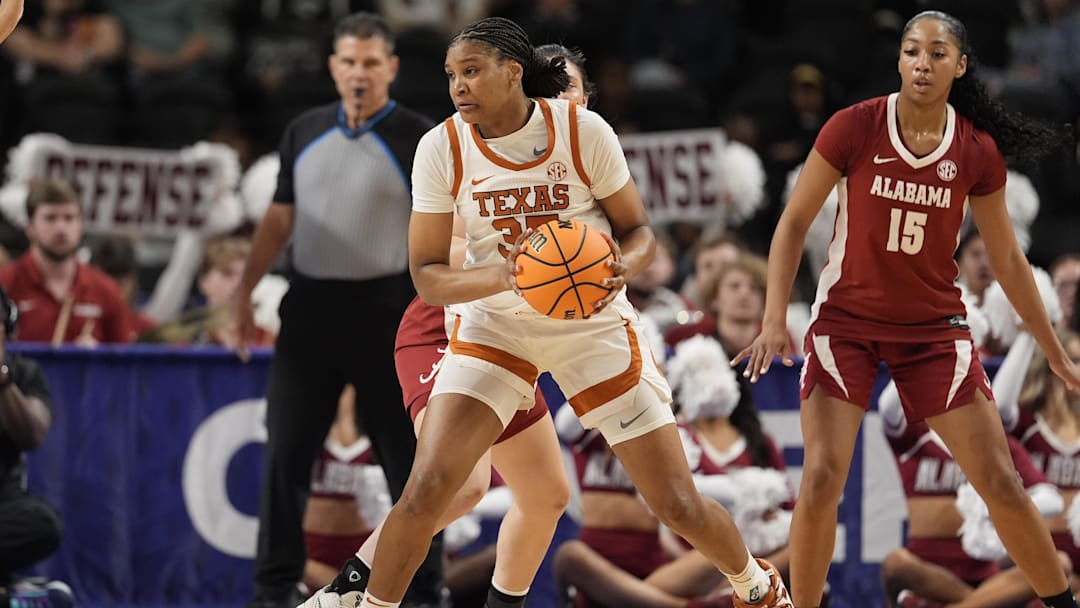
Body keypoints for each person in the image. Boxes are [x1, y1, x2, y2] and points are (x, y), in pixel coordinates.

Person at [355, 16, 791, 608]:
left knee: (675, 502)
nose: (458, 86)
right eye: (452, 74)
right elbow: (428, 277)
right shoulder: (442, 145)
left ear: (514, 72)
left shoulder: (582, 132)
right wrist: (501, 275)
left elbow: (639, 232)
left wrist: (622, 265)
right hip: (495, 324)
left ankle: (757, 586)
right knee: (429, 488)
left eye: (472, 71)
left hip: (591, 325)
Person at [733, 10, 1080, 608]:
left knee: (1000, 479)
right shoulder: (854, 126)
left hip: (932, 333)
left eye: (938, 53)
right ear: (899, 59)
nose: (923, 63)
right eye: (913, 51)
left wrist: (1053, 349)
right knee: (820, 482)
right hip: (846, 324)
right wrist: (772, 320)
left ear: (960, 66)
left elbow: (1010, 264)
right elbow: (792, 224)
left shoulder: (976, 151)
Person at [303, 41, 596, 608]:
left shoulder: (590, 162)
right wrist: (528, 263)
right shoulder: (475, 149)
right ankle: (345, 596)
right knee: (463, 485)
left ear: (588, 100)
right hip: (449, 328)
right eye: (550, 92)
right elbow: (447, 255)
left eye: (571, 90)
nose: (562, 100)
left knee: (546, 495)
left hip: (514, 344)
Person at [230, 12, 442, 608]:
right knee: (284, 459)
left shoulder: (421, 138)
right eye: (348, 61)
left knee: (414, 469)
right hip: (311, 310)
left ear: (392, 68)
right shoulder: (304, 129)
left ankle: (424, 592)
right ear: (332, 66)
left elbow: (444, 233)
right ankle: (274, 592)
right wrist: (244, 291)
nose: (359, 73)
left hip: (390, 312)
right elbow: (278, 219)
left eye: (371, 62)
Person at [878, 378, 1069, 607]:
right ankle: (981, 603)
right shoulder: (915, 437)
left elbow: (1052, 499)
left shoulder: (996, 445)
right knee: (896, 562)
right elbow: (888, 407)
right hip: (927, 571)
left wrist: (989, 511)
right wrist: (913, 349)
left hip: (987, 573)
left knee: (1059, 564)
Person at [0, 285, 75, 607]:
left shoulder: (22, 374)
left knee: (42, 523)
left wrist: (1, 380)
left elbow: (33, 434)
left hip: (3, 505)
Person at [0, 178, 131, 345]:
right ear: (30, 227)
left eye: (69, 218)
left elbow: (125, 365)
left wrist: (97, 361)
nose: (61, 228)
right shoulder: (5, 284)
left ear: (81, 225)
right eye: (50, 218)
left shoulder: (106, 290)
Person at [995, 328, 1080, 574]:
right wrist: (1026, 332)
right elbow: (998, 409)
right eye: (1074, 360)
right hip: (1033, 558)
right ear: (1051, 367)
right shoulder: (1027, 422)